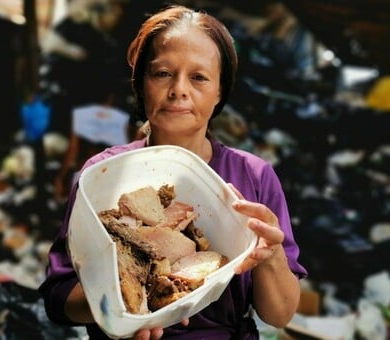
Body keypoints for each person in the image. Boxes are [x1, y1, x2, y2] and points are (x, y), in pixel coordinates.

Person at [39, 5, 307, 339]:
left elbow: (279, 314)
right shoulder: (105, 175)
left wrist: (270, 254)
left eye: (199, 77)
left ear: (220, 90)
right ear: (141, 83)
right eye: (162, 73)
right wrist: (120, 305)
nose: (179, 89)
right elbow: (58, 300)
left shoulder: (253, 176)